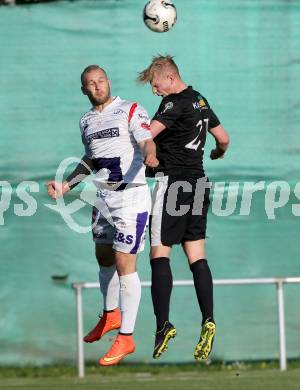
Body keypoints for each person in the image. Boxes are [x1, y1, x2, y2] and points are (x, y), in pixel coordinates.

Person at [47, 65, 158, 366]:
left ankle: (127, 336)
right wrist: (67, 183)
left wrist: (149, 151)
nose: (97, 86)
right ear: (83, 89)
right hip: (104, 198)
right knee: (103, 256)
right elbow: (91, 159)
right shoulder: (85, 121)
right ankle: (110, 315)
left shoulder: (130, 109)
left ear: (108, 82)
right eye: (90, 83)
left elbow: (146, 138)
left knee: (125, 264)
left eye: (100, 81)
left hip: (131, 197)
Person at [137, 55, 229, 360]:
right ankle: (209, 319)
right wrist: (218, 152)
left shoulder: (173, 102)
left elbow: (146, 134)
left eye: (155, 84)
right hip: (199, 183)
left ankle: (163, 324)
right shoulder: (200, 99)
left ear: (170, 78)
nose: (155, 91)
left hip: (173, 184)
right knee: (197, 256)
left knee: (159, 253)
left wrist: (146, 149)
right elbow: (224, 138)